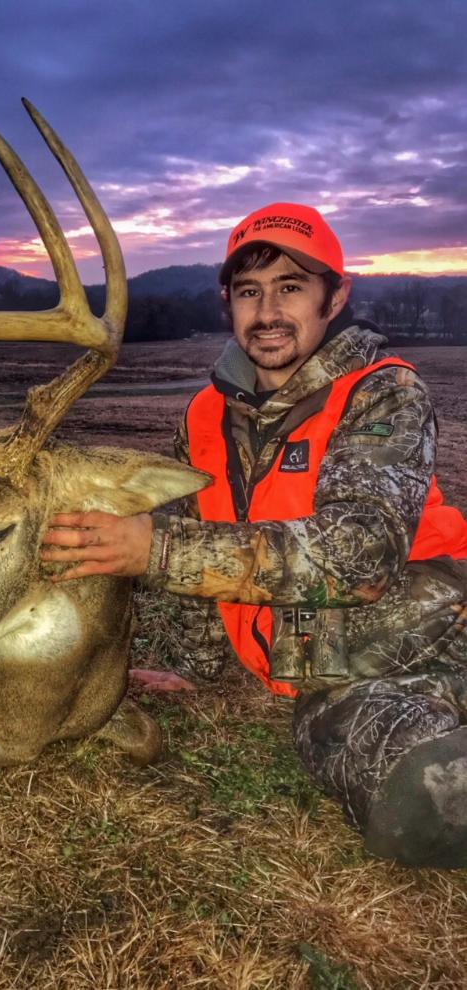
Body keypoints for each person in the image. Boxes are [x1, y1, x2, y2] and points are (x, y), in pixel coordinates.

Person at [41, 202, 467, 868]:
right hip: (325, 674)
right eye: (249, 292)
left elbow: (361, 554)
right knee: (387, 777)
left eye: (291, 288)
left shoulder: (382, 393)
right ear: (228, 304)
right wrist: (194, 664)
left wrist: (150, 549)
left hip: (425, 621)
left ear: (336, 297)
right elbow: (195, 527)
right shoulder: (208, 411)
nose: (267, 312)